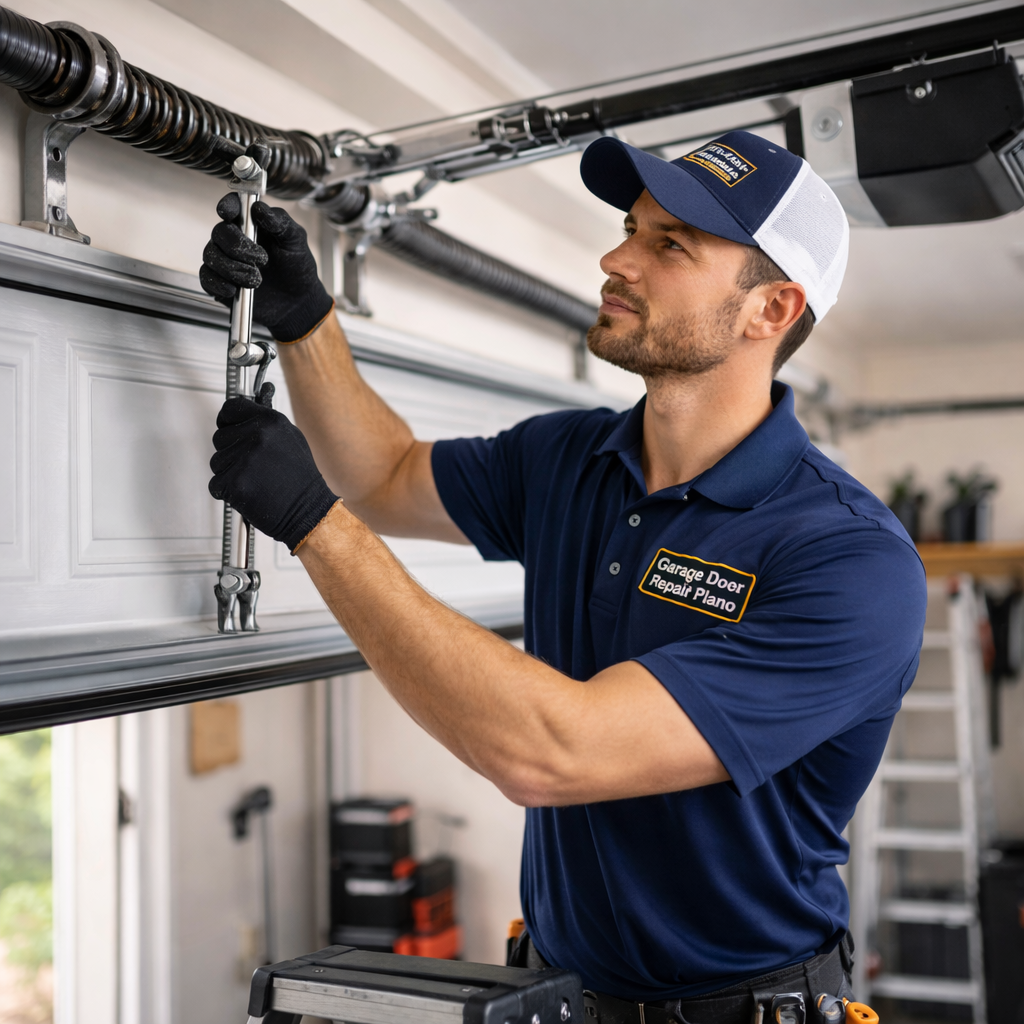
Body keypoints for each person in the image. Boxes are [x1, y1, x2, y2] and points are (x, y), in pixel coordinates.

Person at [201, 130, 926, 1023]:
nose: (615, 257)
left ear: (770, 310)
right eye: (632, 226)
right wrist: (304, 318)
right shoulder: (571, 457)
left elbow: (556, 751)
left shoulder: (849, 560)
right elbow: (385, 474)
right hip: (555, 997)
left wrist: (315, 526)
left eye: (670, 246)